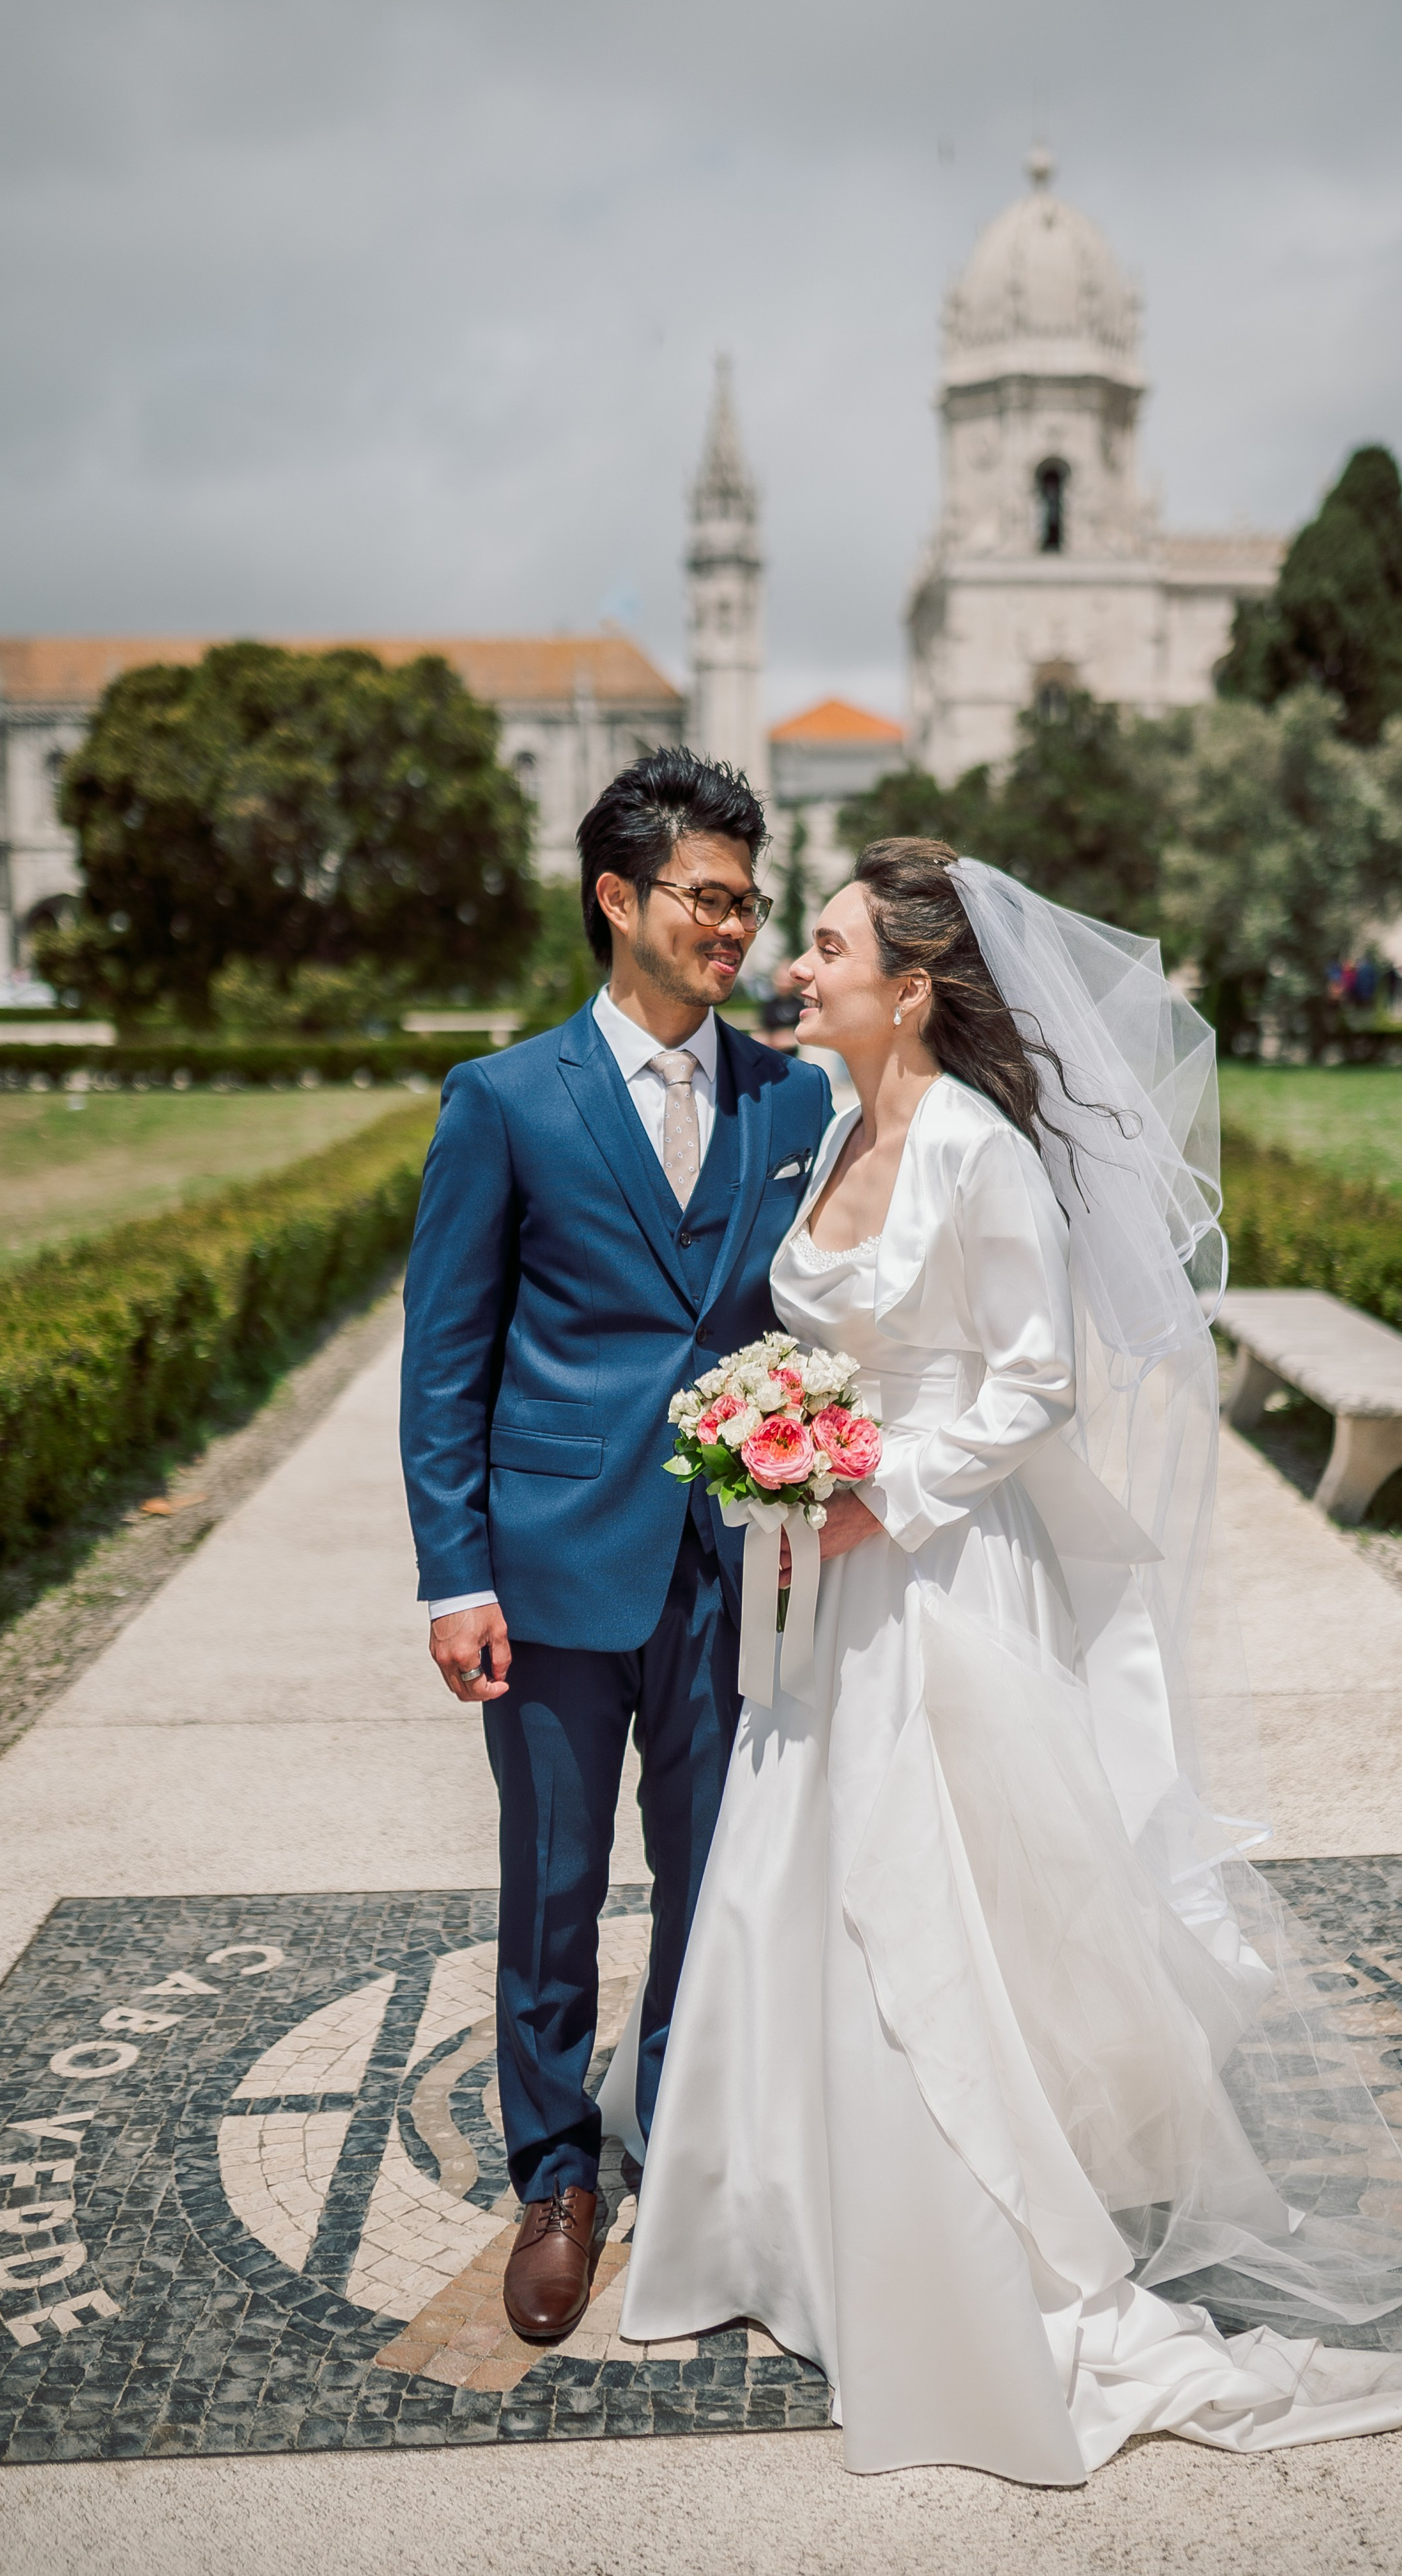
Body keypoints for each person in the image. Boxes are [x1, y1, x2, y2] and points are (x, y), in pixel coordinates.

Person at [620, 838, 1402, 2481]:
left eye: (831, 944)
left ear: (910, 986)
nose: (796, 962)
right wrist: (774, 1445)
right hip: (824, 1575)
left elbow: (1030, 1380)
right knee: (798, 1875)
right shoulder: (840, 1127)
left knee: (931, 1893)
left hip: (933, 1575)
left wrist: (887, 1490)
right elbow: (828, 1337)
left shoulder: (977, 1151)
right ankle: (792, 2217)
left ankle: (960, 2235)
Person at [398, 748, 831, 2345]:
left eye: (748, 901)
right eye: (708, 899)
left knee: (717, 1883)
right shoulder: (503, 1101)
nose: (736, 929)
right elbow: (447, 1356)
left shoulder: (796, 1097)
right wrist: (456, 1571)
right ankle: (556, 2176)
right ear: (616, 900)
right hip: (556, 1569)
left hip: (737, 1576)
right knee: (554, 1888)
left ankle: (689, 2148)